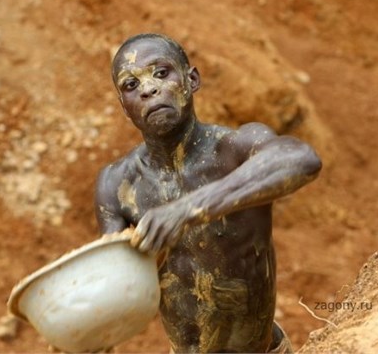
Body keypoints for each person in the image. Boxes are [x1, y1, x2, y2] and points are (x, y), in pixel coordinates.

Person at [95, 33, 322, 353]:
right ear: (124, 107)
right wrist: (86, 332)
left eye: (161, 73)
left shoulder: (236, 148)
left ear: (192, 79)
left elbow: (302, 160)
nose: (148, 89)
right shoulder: (117, 185)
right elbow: (115, 286)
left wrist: (188, 208)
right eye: (131, 85)